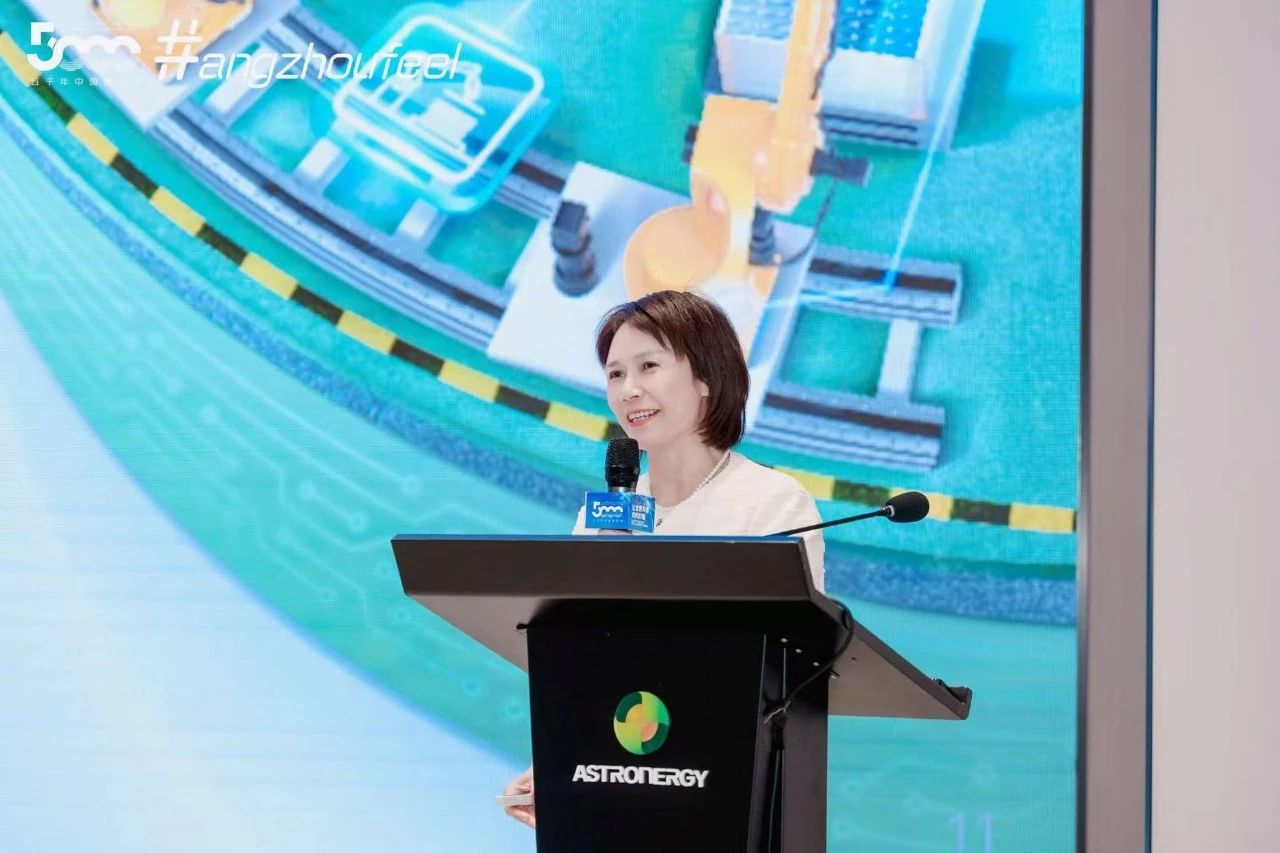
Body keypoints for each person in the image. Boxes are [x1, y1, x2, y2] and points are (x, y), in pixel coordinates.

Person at [501, 289, 826, 829]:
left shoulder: (772, 504)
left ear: (706, 378)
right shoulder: (604, 516)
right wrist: (558, 769)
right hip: (618, 781)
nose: (629, 389)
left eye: (649, 366)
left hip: (726, 789)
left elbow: (790, 668)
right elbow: (584, 667)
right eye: (615, 374)